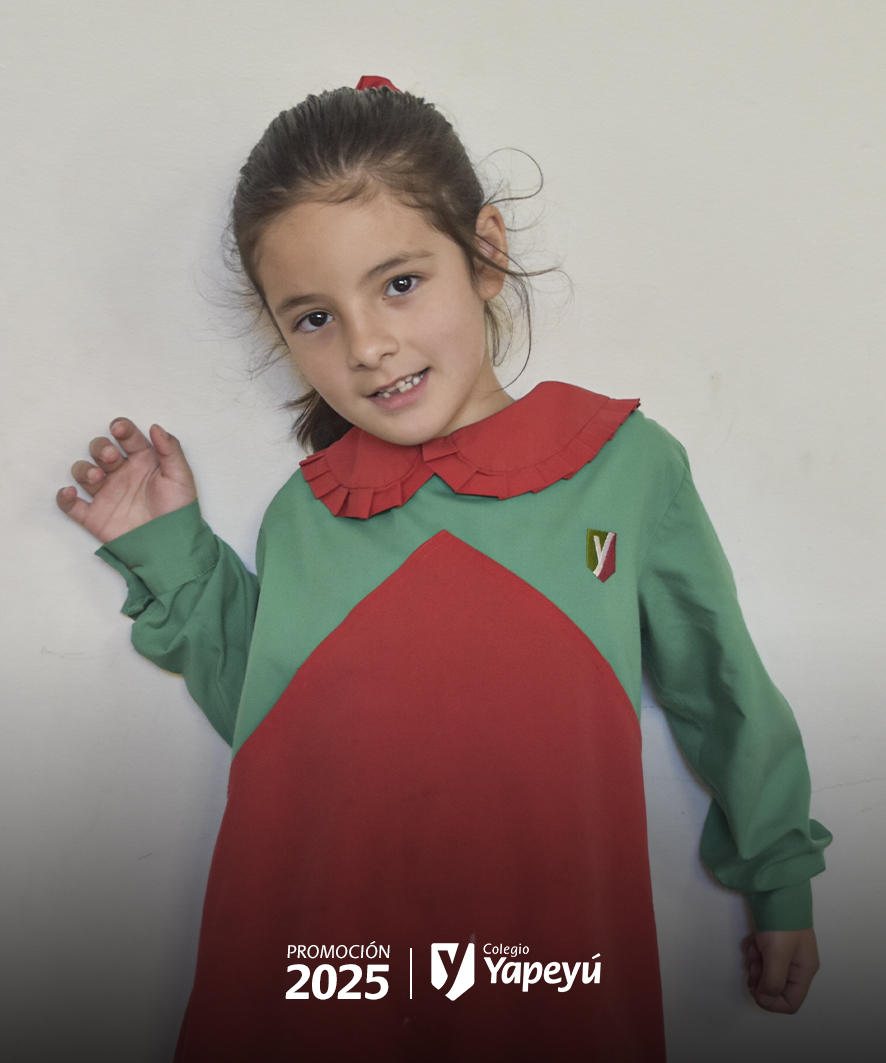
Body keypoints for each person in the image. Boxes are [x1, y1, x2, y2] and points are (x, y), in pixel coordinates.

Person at [56, 79, 830, 1062]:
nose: (368, 345)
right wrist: (173, 551)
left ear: (485, 253)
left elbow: (719, 683)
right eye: (314, 318)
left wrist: (779, 879)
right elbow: (274, 716)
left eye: (399, 283)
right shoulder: (309, 510)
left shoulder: (624, 468)